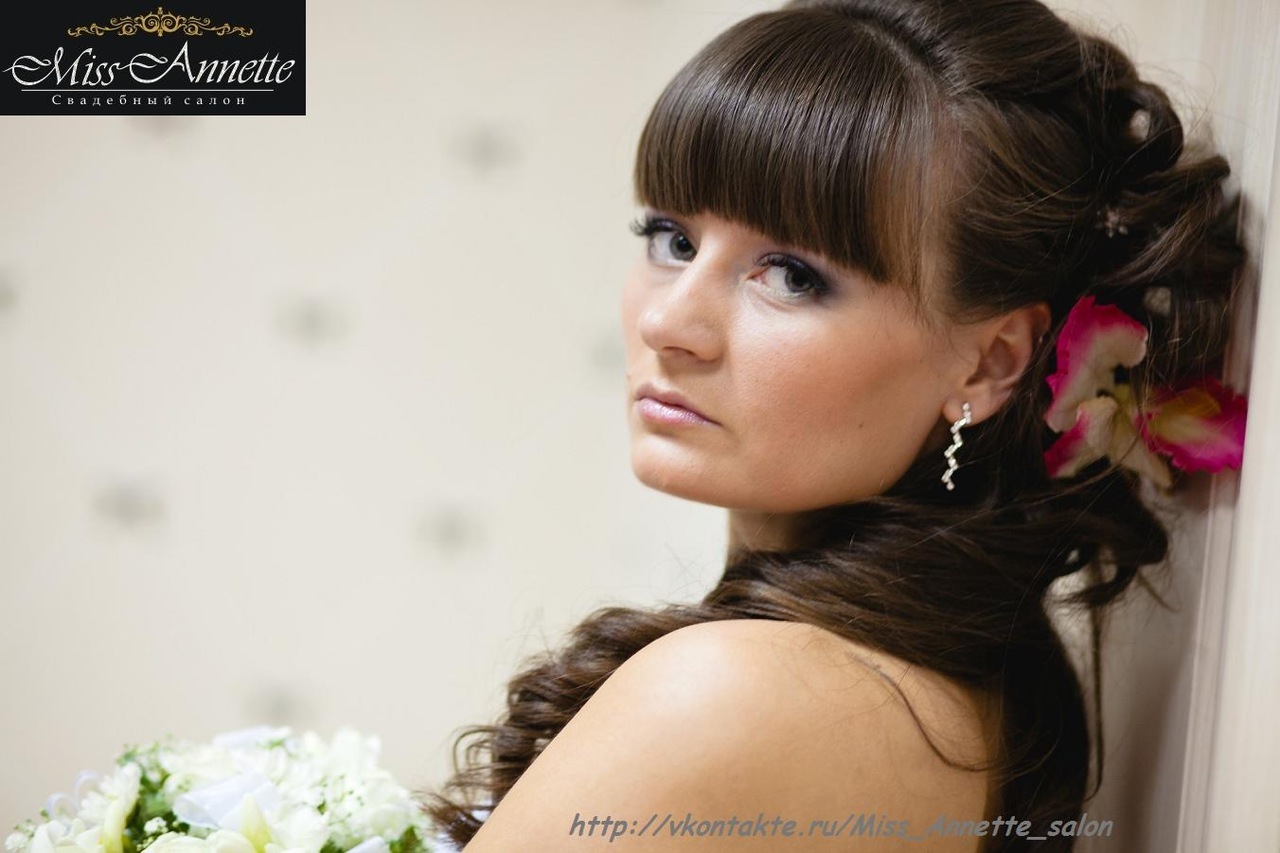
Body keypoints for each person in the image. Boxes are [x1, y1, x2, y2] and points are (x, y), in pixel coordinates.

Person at [422, 0, 1249, 849]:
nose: (669, 322)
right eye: (672, 238)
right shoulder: (982, 691)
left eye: (790, 275)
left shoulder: (734, 692)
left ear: (989, 363)